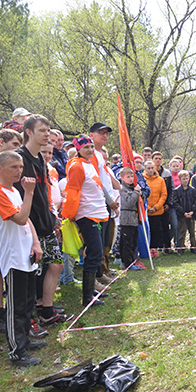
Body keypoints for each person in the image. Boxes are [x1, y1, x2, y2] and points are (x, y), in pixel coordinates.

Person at [16, 115, 72, 329]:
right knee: (31, 274)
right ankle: (28, 320)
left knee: (56, 264)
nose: (47, 134)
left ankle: (47, 310)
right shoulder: (20, 158)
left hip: (45, 222)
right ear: (29, 132)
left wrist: (52, 216)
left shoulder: (40, 159)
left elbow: (43, 193)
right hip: (27, 225)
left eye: (49, 130)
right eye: (42, 130)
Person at [0, 151, 44, 366]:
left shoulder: (14, 191)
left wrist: (35, 243)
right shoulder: (1, 193)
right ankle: (17, 351)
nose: (19, 171)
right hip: (13, 257)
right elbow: (20, 218)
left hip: (26, 254)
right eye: (13, 167)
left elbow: (29, 223)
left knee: (27, 303)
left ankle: (25, 340)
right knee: (16, 307)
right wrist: (30, 193)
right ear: (0, 168)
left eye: (20, 166)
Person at [62, 135, 111, 307]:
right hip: (85, 214)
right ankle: (87, 297)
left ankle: (91, 290)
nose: (90, 150)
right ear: (78, 150)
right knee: (94, 253)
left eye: (91, 146)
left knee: (95, 253)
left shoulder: (89, 164)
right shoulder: (76, 166)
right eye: (86, 147)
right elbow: (73, 191)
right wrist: (69, 214)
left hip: (96, 214)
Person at [88, 122, 121, 283]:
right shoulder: (91, 154)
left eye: (106, 133)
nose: (105, 136)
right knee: (95, 244)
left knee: (104, 241)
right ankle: (93, 278)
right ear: (91, 135)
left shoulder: (100, 155)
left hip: (106, 203)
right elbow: (97, 181)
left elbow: (108, 180)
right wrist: (110, 201)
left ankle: (100, 273)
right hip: (96, 203)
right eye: (101, 132)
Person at [118, 167, 144, 270]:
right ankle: (127, 263)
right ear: (122, 178)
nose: (130, 178)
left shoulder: (133, 188)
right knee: (127, 243)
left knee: (133, 241)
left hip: (134, 219)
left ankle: (133, 260)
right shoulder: (122, 189)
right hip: (126, 219)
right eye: (128, 177)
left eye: (132, 176)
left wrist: (140, 194)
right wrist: (136, 193)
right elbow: (128, 203)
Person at [143, 160, 167, 256]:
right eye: (148, 168)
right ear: (145, 169)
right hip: (146, 211)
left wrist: (156, 207)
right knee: (147, 231)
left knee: (156, 230)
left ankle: (154, 249)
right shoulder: (142, 180)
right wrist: (148, 207)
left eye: (152, 168)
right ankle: (146, 249)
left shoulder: (160, 180)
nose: (150, 170)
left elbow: (164, 195)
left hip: (157, 211)